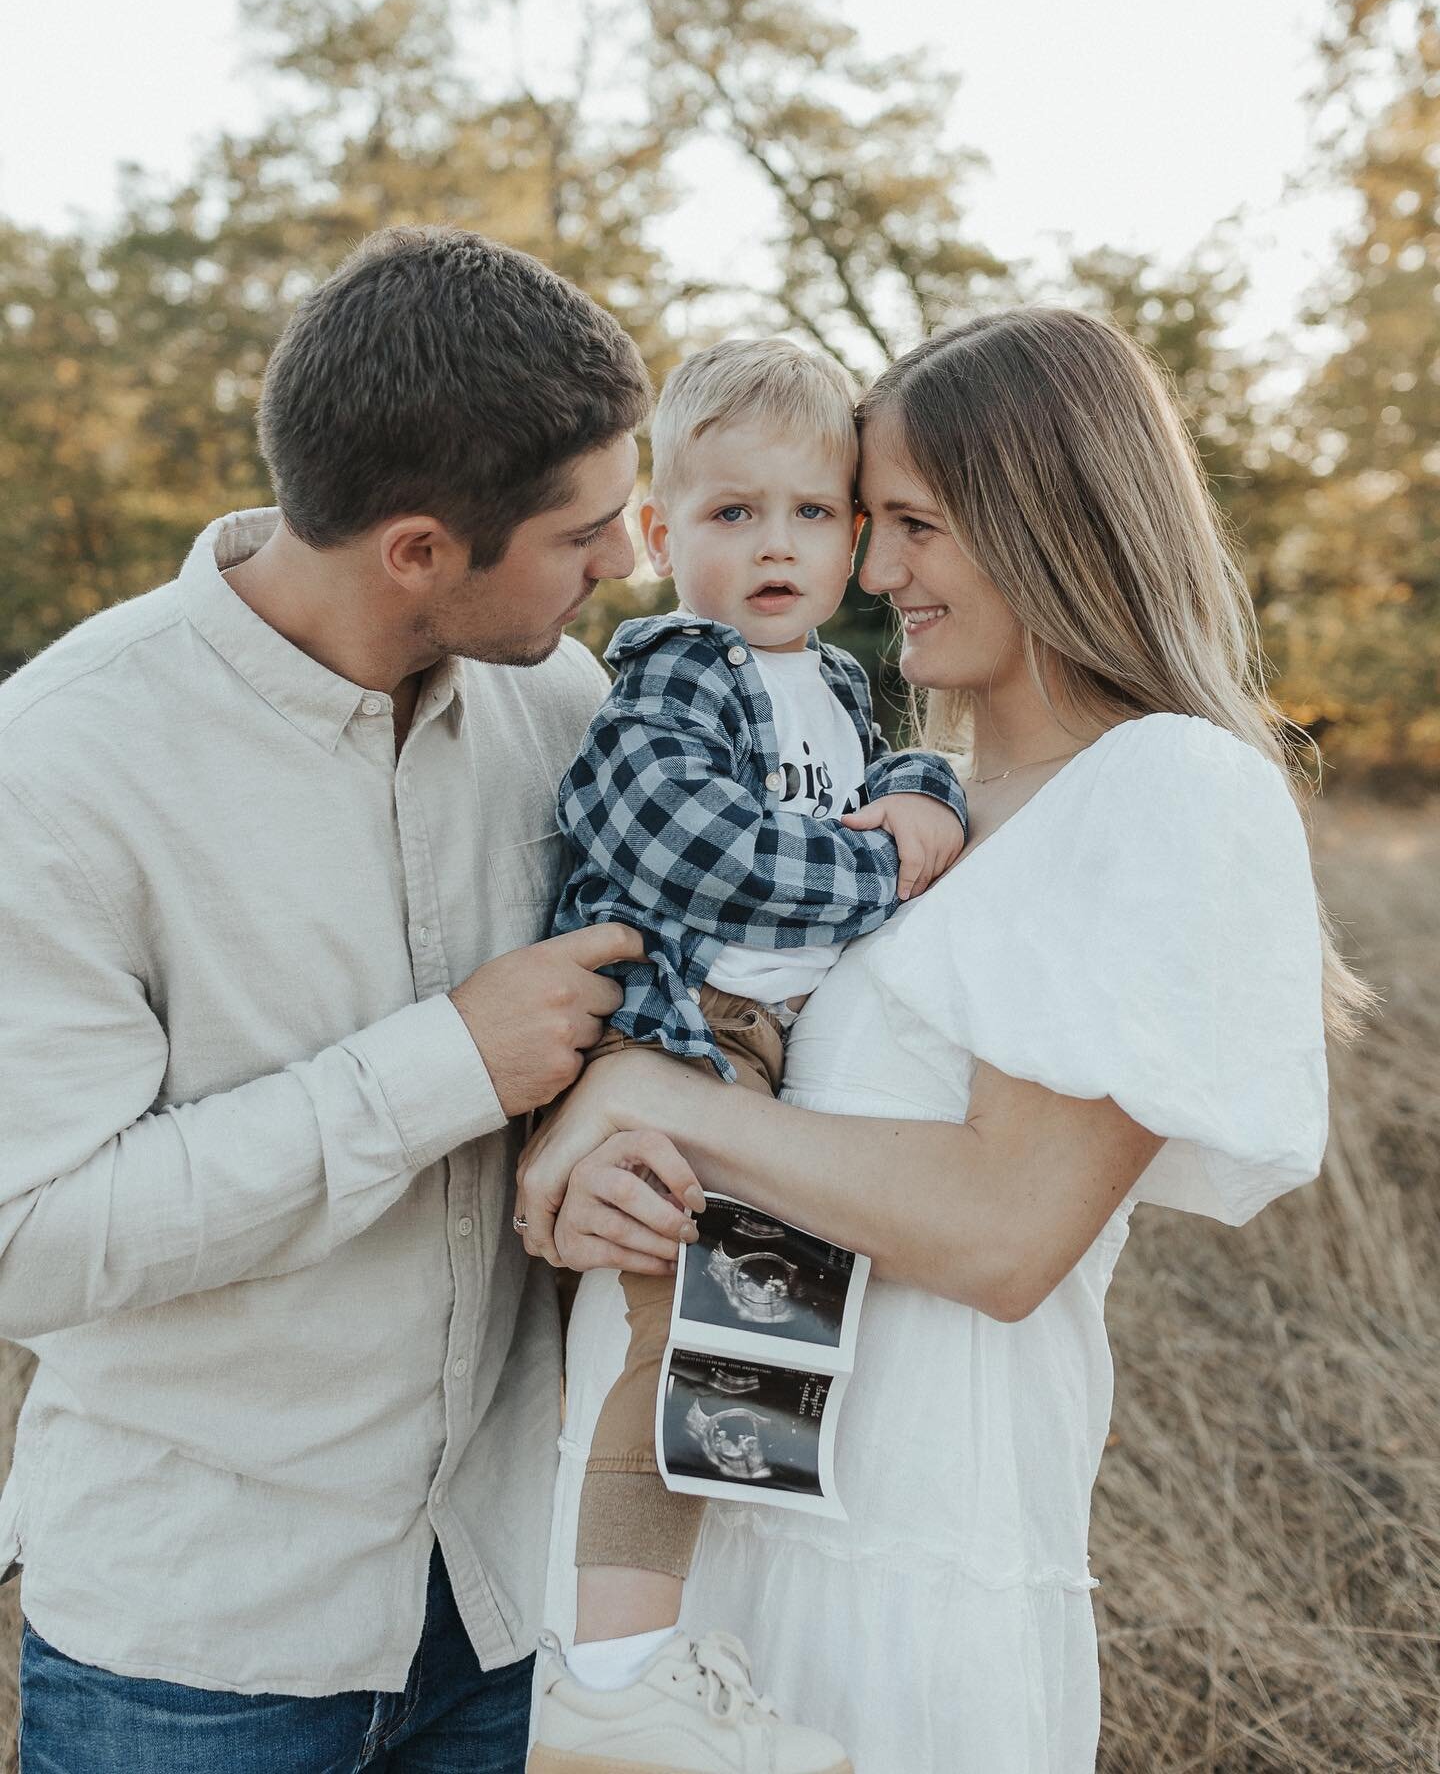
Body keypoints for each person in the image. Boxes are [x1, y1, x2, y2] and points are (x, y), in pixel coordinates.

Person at [517, 309, 1367, 1772]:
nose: (878, 568)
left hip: (905, 1563)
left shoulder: (1166, 787)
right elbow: (777, 1096)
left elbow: (1005, 1231)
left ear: (1046, 518)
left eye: (910, 523)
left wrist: (665, 1098)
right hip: (703, 1538)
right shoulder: (914, 808)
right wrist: (605, 1167)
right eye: (873, 521)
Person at [0, 225, 653, 1772]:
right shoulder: (59, 769)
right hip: (197, 1650)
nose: (627, 560)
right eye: (583, 533)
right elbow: (26, 1238)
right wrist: (445, 1066)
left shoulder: (567, 707)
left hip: (503, 1606)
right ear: (419, 550)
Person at [525, 339, 967, 1774]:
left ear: (851, 531)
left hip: (764, 1058)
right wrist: (878, 873)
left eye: (810, 511)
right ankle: (610, 1680)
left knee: (750, 1363)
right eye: (729, 515)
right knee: (674, 1349)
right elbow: (677, 840)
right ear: (659, 537)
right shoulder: (679, 671)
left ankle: (677, 1664)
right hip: (678, 1031)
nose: (774, 544)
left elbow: (907, 765)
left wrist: (920, 799)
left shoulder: (837, 690)